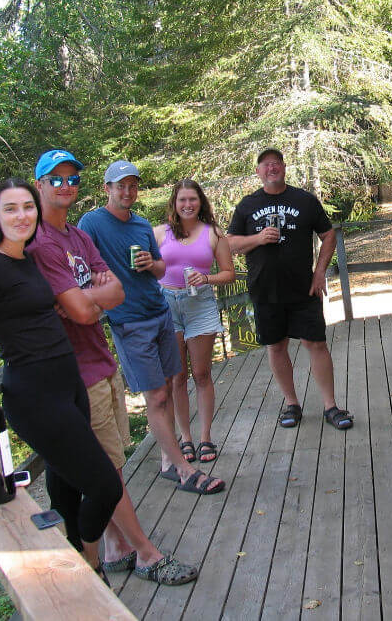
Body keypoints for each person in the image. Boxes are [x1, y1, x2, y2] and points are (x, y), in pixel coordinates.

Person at [0, 178, 123, 581]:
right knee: (105, 486)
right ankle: (90, 563)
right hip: (35, 397)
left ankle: (75, 567)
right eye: (11, 209)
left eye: (28, 207)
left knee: (67, 489)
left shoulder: (28, 260)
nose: (22, 216)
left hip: (69, 383)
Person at [29, 150, 197, 585]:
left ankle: (115, 545)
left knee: (106, 462)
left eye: (71, 178)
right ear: (40, 185)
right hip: (73, 371)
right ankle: (146, 552)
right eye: (56, 179)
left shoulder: (77, 238)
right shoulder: (41, 242)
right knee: (106, 469)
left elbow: (112, 292)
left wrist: (90, 298)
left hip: (100, 359)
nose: (66, 186)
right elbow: (83, 310)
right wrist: (90, 299)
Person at [78, 160, 224, 495]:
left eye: (132, 186)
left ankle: (166, 459)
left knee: (170, 386)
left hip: (159, 312)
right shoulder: (92, 223)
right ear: (107, 189)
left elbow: (160, 271)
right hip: (128, 320)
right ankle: (185, 470)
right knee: (156, 394)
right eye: (120, 186)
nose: (127, 192)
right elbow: (81, 264)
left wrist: (150, 263)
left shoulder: (142, 225)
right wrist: (94, 289)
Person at [227, 148, 352, 430]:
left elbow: (328, 234)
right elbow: (230, 244)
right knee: (276, 346)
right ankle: (291, 404)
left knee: (316, 343)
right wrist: (258, 239)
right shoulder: (247, 205)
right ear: (258, 172)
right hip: (264, 290)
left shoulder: (304, 200)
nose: (272, 168)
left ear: (284, 168)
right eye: (266, 165)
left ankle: (331, 406)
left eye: (276, 164)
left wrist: (320, 272)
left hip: (303, 289)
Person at [153, 179, 235, 466]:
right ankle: (184, 438)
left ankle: (205, 436)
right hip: (167, 306)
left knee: (201, 373)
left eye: (193, 199)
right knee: (177, 376)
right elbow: (146, 268)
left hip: (200, 303)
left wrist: (207, 278)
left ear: (201, 202)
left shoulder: (213, 232)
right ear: (174, 204)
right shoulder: (160, 233)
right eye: (182, 200)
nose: (187, 205)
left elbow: (229, 273)